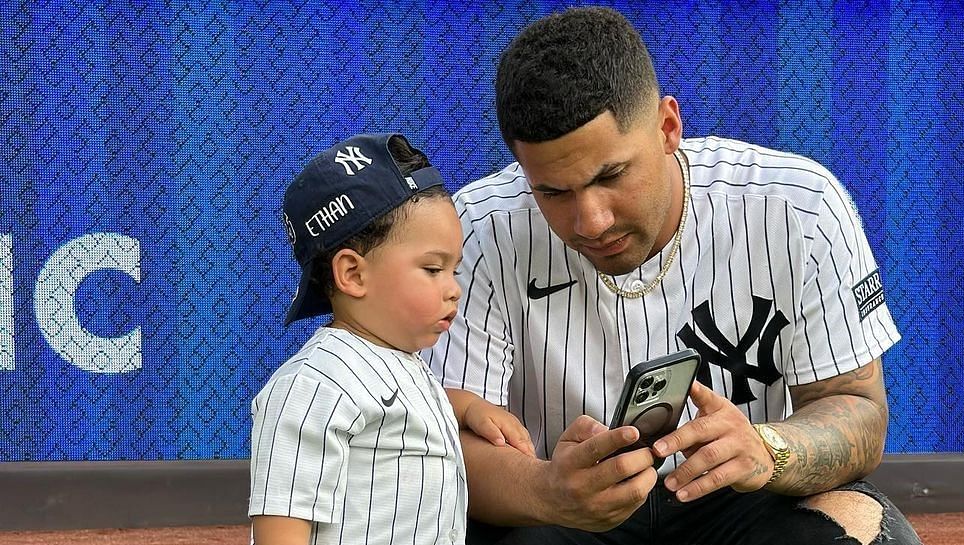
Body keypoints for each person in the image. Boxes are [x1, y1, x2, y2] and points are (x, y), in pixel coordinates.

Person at [425, 7, 922, 545]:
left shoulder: (800, 207)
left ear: (668, 127)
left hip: (745, 500)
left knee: (863, 529)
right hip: (561, 515)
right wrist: (550, 489)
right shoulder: (477, 227)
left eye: (611, 175)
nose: (590, 220)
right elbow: (449, 447)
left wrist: (768, 450)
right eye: (553, 191)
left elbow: (858, 408)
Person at [248, 133, 534, 545]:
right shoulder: (312, 385)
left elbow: (407, 410)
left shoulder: (402, 360)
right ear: (353, 274)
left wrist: (467, 407)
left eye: (455, 270)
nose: (454, 289)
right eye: (433, 269)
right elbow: (282, 521)